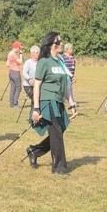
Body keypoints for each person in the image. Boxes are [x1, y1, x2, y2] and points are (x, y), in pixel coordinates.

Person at [27, 32, 77, 175]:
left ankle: (34, 151)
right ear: (51, 45)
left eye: (60, 41)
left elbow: (66, 84)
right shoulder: (44, 62)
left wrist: (72, 104)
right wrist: (36, 108)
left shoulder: (60, 61)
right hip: (48, 102)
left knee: (58, 132)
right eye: (58, 42)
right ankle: (59, 168)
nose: (61, 44)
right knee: (56, 134)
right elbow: (37, 85)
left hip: (59, 101)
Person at [6, 40, 23, 108]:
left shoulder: (10, 53)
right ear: (16, 47)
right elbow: (20, 62)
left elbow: (7, 64)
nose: (20, 49)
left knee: (13, 88)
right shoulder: (13, 54)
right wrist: (21, 55)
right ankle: (15, 103)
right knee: (18, 88)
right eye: (19, 48)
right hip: (16, 72)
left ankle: (11, 104)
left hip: (11, 72)